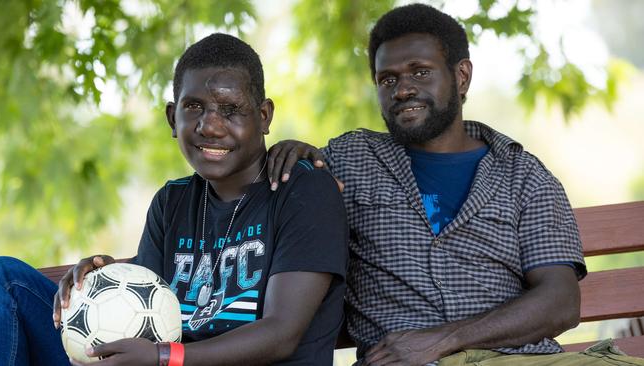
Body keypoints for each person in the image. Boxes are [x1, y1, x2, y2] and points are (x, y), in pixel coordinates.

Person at [267, 4, 644, 366]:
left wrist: (441, 340)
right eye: (388, 79)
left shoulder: (524, 176)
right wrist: (294, 156)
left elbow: (561, 301)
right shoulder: (350, 158)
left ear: (461, 76)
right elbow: (280, 199)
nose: (402, 90)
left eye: (420, 72)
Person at [0, 33, 348, 366]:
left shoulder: (302, 190)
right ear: (172, 118)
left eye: (230, 109)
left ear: (264, 115)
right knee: (6, 278)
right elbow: (141, 310)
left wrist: (166, 357)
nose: (209, 126)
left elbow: (282, 334)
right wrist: (99, 284)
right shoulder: (172, 201)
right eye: (194, 107)